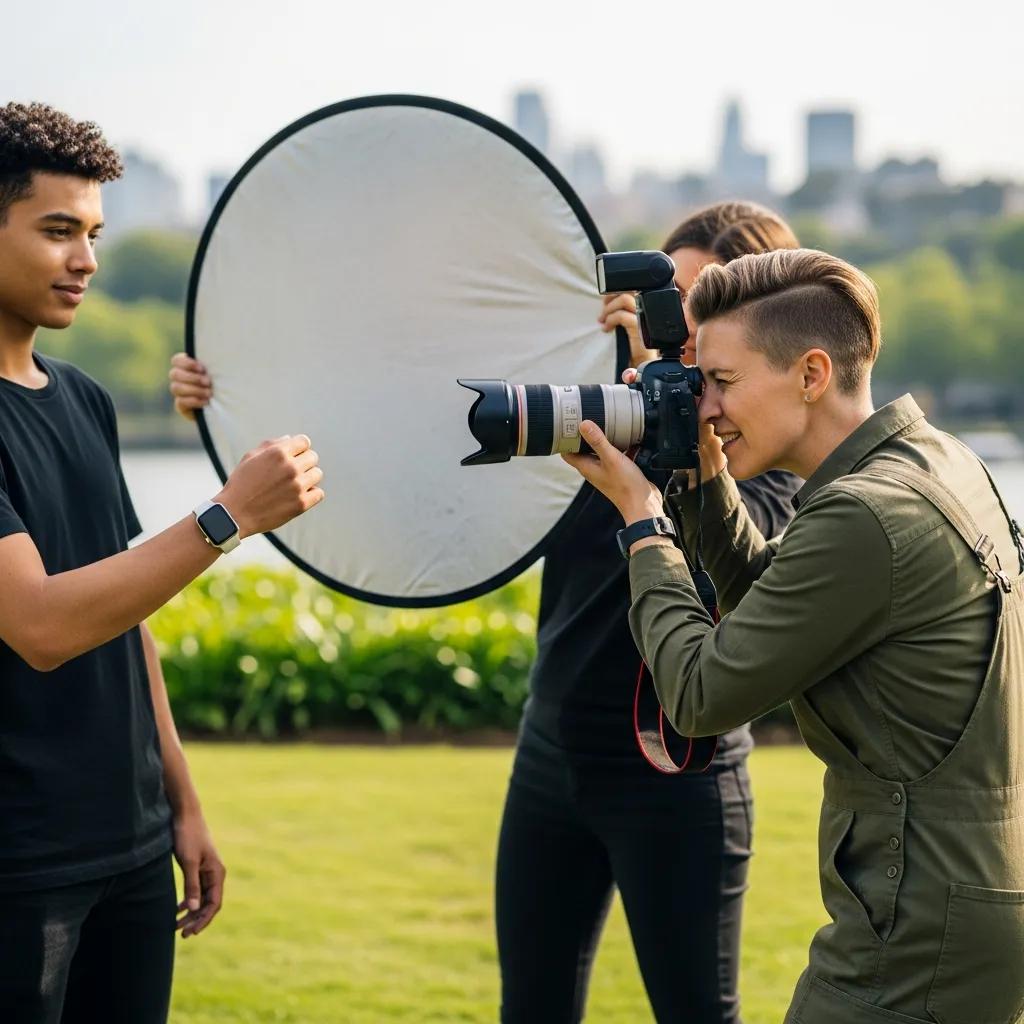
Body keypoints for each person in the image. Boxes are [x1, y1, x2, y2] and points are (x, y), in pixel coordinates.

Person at [170, 201, 799, 1022]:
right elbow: (414, 427)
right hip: (553, 753)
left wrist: (677, 424)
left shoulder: (765, 453)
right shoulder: (594, 415)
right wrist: (233, 401)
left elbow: (733, 577)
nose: (671, 324)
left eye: (695, 305)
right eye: (662, 299)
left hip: (679, 774)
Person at [565, 247, 1024, 1024]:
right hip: (962, 897)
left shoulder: (865, 515)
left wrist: (642, 520)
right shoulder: (934, 461)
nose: (702, 406)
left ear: (811, 374)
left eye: (723, 383)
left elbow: (702, 693)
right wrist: (704, 479)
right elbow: (781, 606)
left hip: (917, 927)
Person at [0, 102, 325, 1024]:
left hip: (133, 849)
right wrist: (227, 517)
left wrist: (180, 801)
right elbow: (43, 626)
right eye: (58, 230)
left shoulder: (84, 400)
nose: (88, 261)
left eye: (96, 233)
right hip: (20, 868)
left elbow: (124, 611)